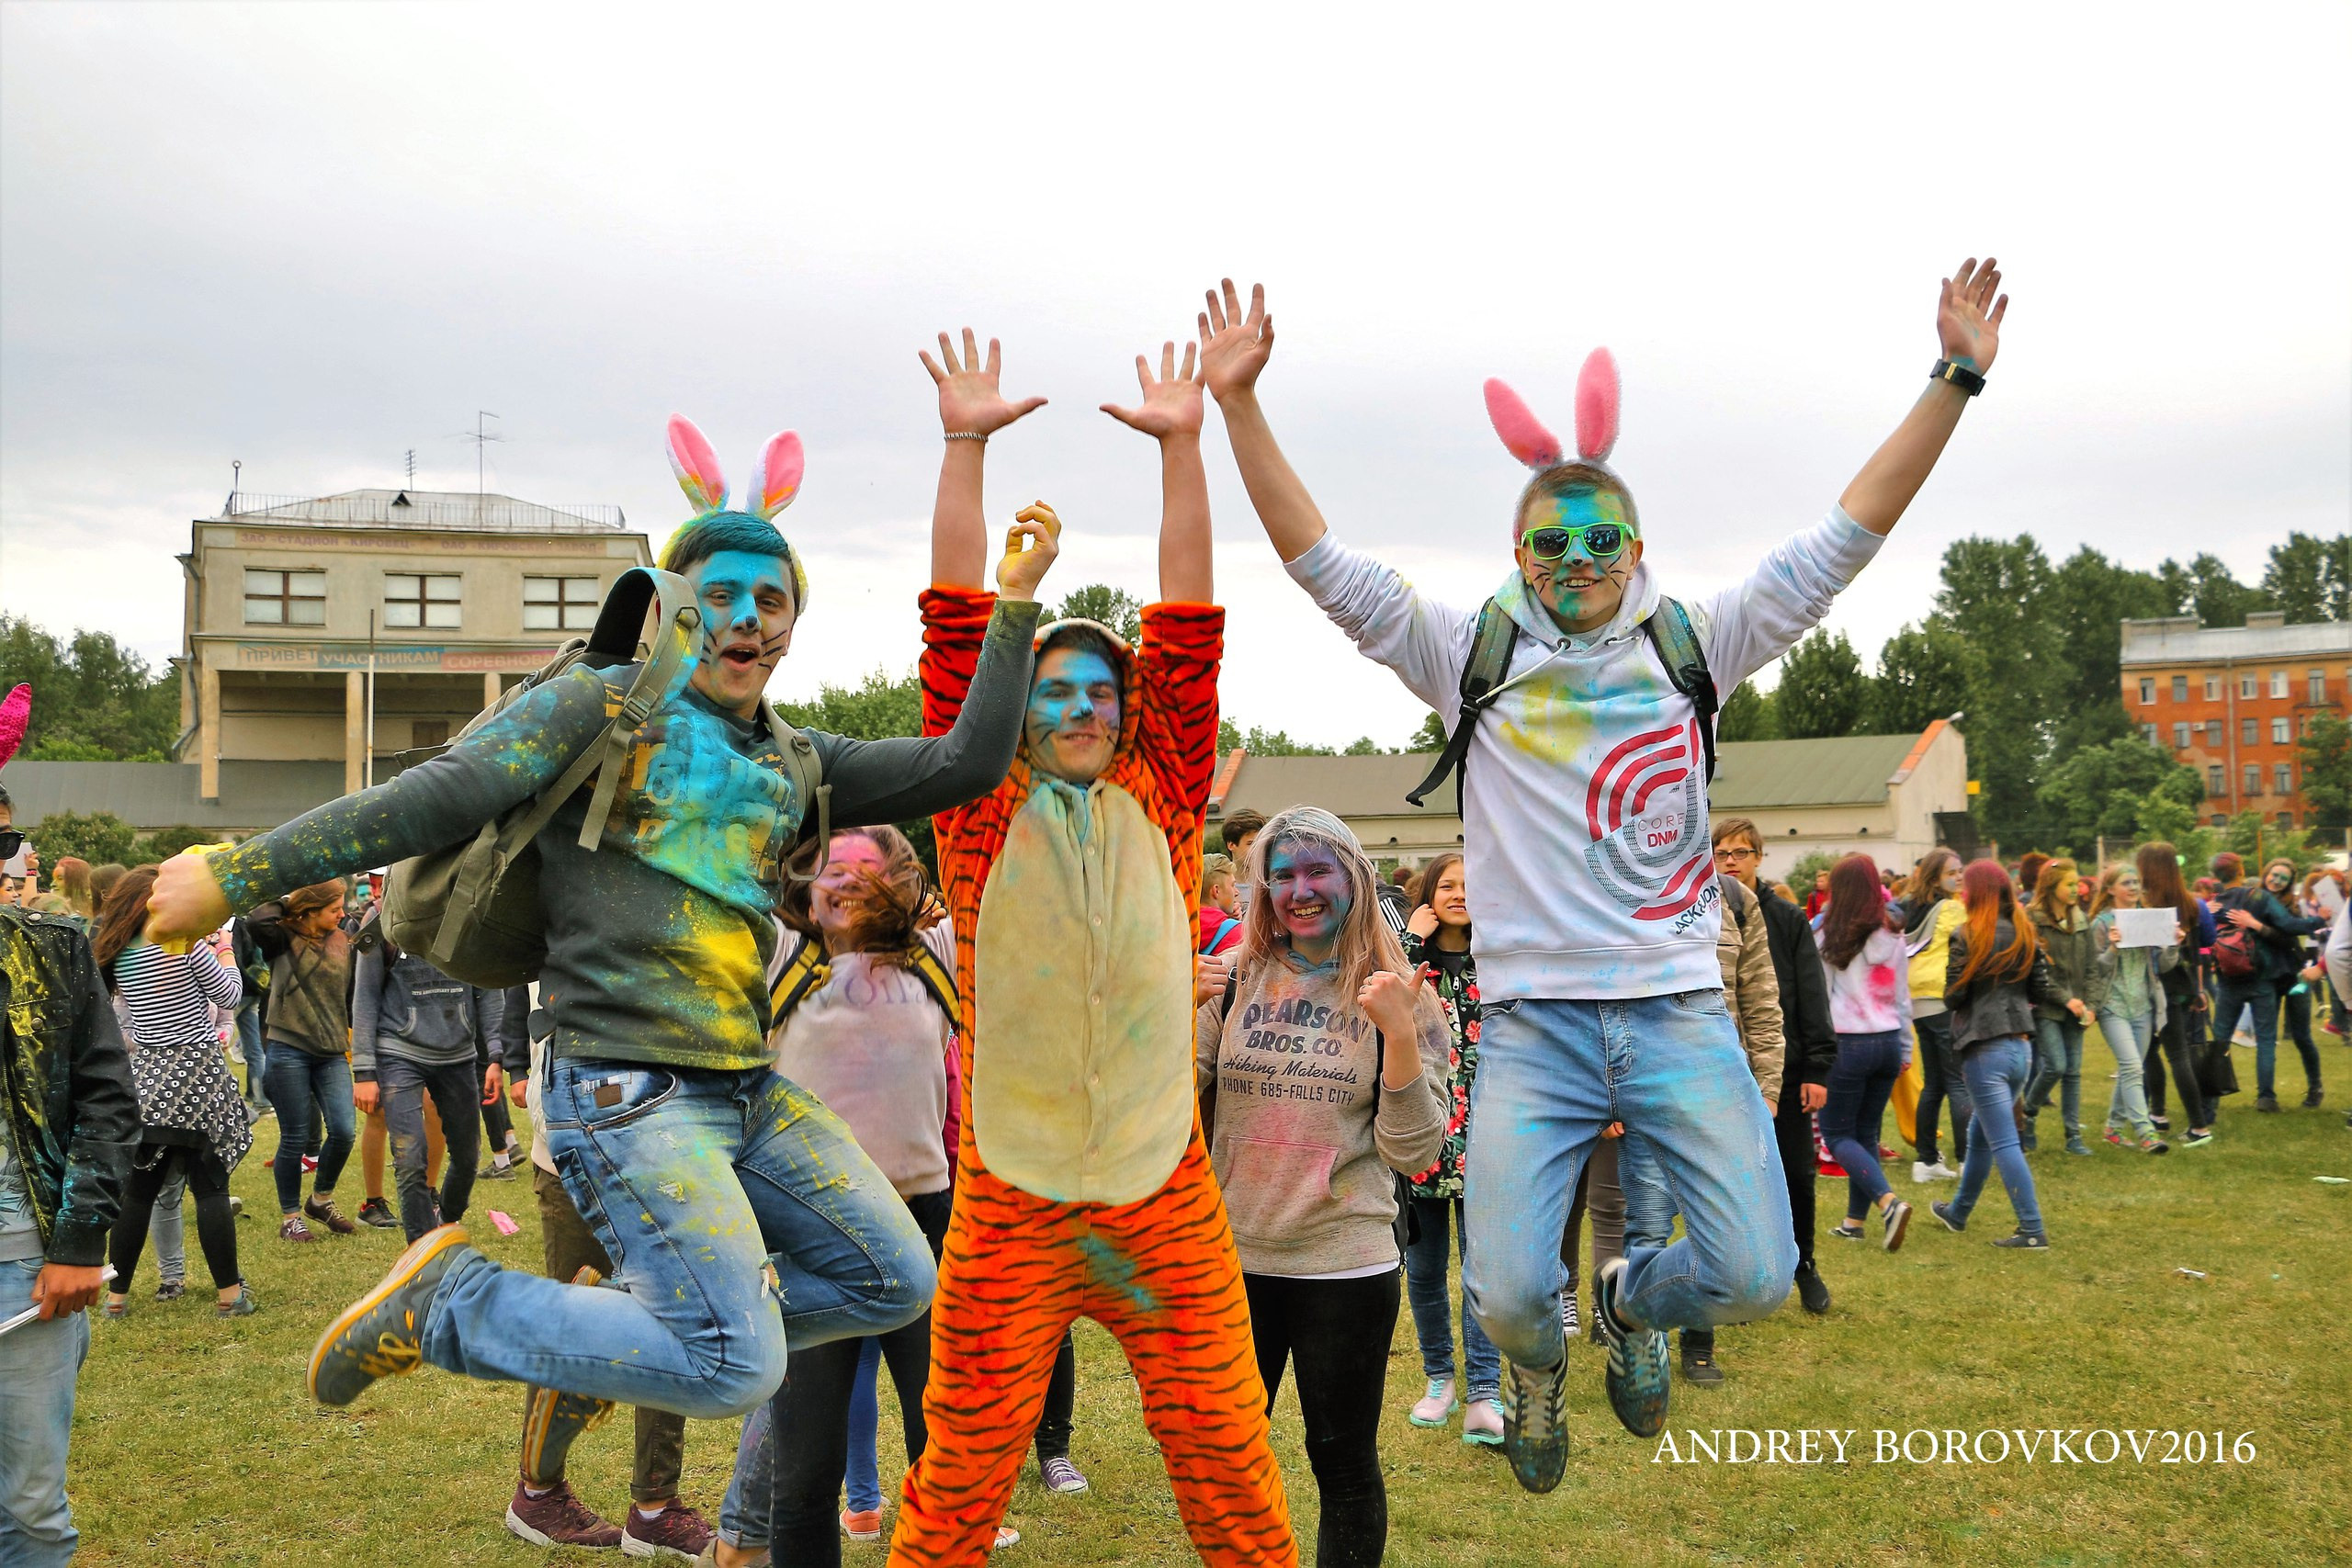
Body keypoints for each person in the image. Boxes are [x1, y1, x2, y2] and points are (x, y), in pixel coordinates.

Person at [1200, 255, 2010, 1490]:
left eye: (1599, 538)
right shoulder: (1465, 655)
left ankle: (1631, 1304)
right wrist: (1240, 404)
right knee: (1509, 1297)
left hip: (1678, 1011)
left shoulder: (1699, 642)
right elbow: (1320, 563)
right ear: (1519, 553)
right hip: (1534, 1027)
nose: (1576, 557)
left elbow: (1848, 535)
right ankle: (1535, 1370)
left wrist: (1953, 377)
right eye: (1552, 540)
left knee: (1753, 1271)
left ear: (1636, 547)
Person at [142, 412, 1049, 1435]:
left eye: (771, 599)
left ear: (794, 621)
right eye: (718, 595)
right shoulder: (604, 704)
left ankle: (631, 1330)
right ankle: (455, 1305)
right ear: (673, 608)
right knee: (733, 1371)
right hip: (625, 1087)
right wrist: (236, 873)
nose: (746, 618)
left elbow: (966, 763)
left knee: (894, 1277)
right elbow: (439, 794)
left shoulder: (798, 759)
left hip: (745, 1087)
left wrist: (1015, 604)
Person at [888, 330, 1295, 1568]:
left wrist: (1185, 446)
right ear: (1015, 711)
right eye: (1049, 687)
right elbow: (956, 631)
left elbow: (1188, 623)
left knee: (1227, 1449)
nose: (1076, 704)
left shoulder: (1165, 800)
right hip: (1009, 1207)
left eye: (1099, 688)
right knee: (960, 1468)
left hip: (1159, 1195)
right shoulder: (975, 808)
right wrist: (963, 446)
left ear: (1129, 712)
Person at [714, 827, 1017, 1566]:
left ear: (904, 882)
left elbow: (991, 861)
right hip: (809, 1234)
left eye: (866, 871)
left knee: (943, 1457)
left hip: (924, 1227)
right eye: (832, 870)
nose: (847, 882)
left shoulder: (940, 955)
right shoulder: (779, 956)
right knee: (806, 1472)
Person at [1195, 807, 1448, 1568]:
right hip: (1232, 1260)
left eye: (1317, 871)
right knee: (1224, 1463)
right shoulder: (1231, 977)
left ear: (1354, 879)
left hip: (1345, 1265)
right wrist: (1169, 1009)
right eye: (1282, 875)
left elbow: (1414, 1150)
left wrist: (1398, 1033)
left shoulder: (1403, 992)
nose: (1299, 890)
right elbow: (1161, 1110)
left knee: (1341, 1463)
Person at [1, 682, 142, 1568]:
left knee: (30, 1509)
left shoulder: (51, 953)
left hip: (24, 1268)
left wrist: (81, 1239)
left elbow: (108, 1102)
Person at [497, 986, 710, 1557]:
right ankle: (538, 1493)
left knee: (671, 1327)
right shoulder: (555, 932)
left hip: (665, 1153)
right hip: (572, 1157)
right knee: (571, 1329)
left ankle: (656, 1507)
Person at [1624, 853, 1784, 1382]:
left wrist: (1768, 1089)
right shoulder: (1621, 885)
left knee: (1718, 1222)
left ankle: (1699, 1341)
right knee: (1648, 1222)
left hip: (1719, 1092)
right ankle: (1641, 1348)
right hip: (1642, 1084)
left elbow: (1761, 1000)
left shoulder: (1734, 899)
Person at [88, 868, 254, 1318]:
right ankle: (230, 1295)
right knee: (210, 1189)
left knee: (138, 1194)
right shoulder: (185, 944)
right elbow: (229, 996)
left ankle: (116, 1299)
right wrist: (224, 949)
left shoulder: (120, 950)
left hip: (147, 1081)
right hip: (197, 1078)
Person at [1396, 852, 1504, 1442]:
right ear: (1428, 896)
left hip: (1490, 1138)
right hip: (1425, 1136)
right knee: (1426, 1270)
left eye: (1469, 885)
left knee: (1482, 1271)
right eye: (1447, 885)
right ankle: (1439, 1379)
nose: (1459, 894)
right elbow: (1383, 1004)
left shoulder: (1501, 961)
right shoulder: (1411, 962)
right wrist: (1412, 941)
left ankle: (1485, 1391)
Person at [1712, 818, 1834, 1315]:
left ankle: (1805, 1264)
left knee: (1796, 1174)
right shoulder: (1709, 910)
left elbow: (1809, 992)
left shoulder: (1785, 916)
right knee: (1738, 1180)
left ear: (1759, 857)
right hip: (1730, 1066)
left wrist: (1817, 1068)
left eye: (1741, 852)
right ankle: (1748, 1276)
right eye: (1722, 852)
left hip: (1787, 1066)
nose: (1731, 861)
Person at [1933, 862, 2071, 1248]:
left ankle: (2032, 1230)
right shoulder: (2025, 932)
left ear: (1975, 893)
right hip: (2020, 1049)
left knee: (2005, 1142)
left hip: (1985, 1049)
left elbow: (1953, 996)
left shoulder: (1967, 934)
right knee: (1982, 1134)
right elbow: (2040, 990)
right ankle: (1958, 1213)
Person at [351, 930, 505, 1242]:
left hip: (458, 1055)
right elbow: (365, 996)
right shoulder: (380, 924)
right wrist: (364, 1071)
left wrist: (496, 1054)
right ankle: (421, 1247)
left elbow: (489, 990)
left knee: (468, 1157)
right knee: (409, 1159)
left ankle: (446, 1220)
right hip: (398, 1051)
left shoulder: (470, 915)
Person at [247, 881, 361, 1240]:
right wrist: (290, 901)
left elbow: (349, 995)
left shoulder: (343, 940)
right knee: (295, 1137)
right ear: (311, 910)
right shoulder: (281, 938)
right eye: (334, 909)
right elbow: (256, 918)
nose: (342, 914)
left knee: (343, 1131)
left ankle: (320, 1200)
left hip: (332, 1051)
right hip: (289, 1047)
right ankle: (290, 1217)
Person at [1813, 855, 1912, 1252]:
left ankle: (1888, 1202)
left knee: (1837, 1135)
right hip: (1887, 1041)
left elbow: (1820, 998)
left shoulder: (1825, 932)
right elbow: (1903, 997)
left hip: (1847, 1043)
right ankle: (1854, 1222)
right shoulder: (1894, 932)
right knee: (1866, 1133)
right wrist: (1905, 1047)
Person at [2211, 853, 2325, 1113]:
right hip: (2266, 978)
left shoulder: (2291, 906)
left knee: (2301, 1036)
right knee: (2266, 1038)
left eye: (2284, 878)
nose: (2277, 880)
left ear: (2291, 882)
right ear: (2266, 874)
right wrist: (2213, 910)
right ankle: (2265, 1097)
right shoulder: (2253, 898)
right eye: (2274, 874)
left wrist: (2256, 925)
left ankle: (2315, 1086)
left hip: (2293, 976)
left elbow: (2287, 937)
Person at [2084, 864, 2175, 1155]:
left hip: (2144, 1006)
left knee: (2130, 1070)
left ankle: (2112, 1128)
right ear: (2110, 889)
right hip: (2113, 1005)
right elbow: (2094, 969)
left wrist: (2173, 945)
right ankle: (2146, 1132)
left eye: (2136, 882)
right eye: (2126, 882)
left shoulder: (2147, 919)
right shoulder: (2101, 924)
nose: (2134, 887)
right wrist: (2113, 948)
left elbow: (2165, 965)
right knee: (2134, 1067)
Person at [1899, 849, 1971, 1182]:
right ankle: (1967, 1160)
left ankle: (1926, 1161)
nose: (1959, 877)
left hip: (1916, 998)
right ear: (1935, 878)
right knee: (1957, 1082)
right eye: (1951, 873)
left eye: (1960, 871)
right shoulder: (1952, 908)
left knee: (1934, 1084)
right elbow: (1965, 948)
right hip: (1941, 996)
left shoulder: (1909, 906)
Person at [2136, 844, 2213, 1146]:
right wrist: (2198, 989)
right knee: (2161, 1051)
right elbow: (2200, 948)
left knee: (2167, 1054)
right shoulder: (2191, 904)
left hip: (2156, 987)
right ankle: (2158, 1114)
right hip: (2182, 986)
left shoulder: (2146, 906)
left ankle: (2198, 1126)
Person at [2021, 857, 2094, 1155]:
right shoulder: (2032, 918)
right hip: (2046, 1006)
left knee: (2073, 1072)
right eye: (2070, 884)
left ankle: (2073, 1136)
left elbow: (2091, 968)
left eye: (2078, 884)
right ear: (2052, 886)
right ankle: (2028, 1114)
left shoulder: (2082, 919)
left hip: (2078, 1008)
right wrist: (2066, 999)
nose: (2077, 889)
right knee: (2055, 1065)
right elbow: (2035, 972)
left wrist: (2090, 1005)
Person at [1199, 854, 1246, 957]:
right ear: (1216, 890)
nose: (1236, 892)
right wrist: (1232, 926)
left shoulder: (1177, 926)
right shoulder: (1239, 934)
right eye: (1233, 885)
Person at [50, 859, 93, 924]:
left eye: (60, 878)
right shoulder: (48, 911)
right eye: (53, 879)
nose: (52, 884)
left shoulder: (94, 917)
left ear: (77, 881)